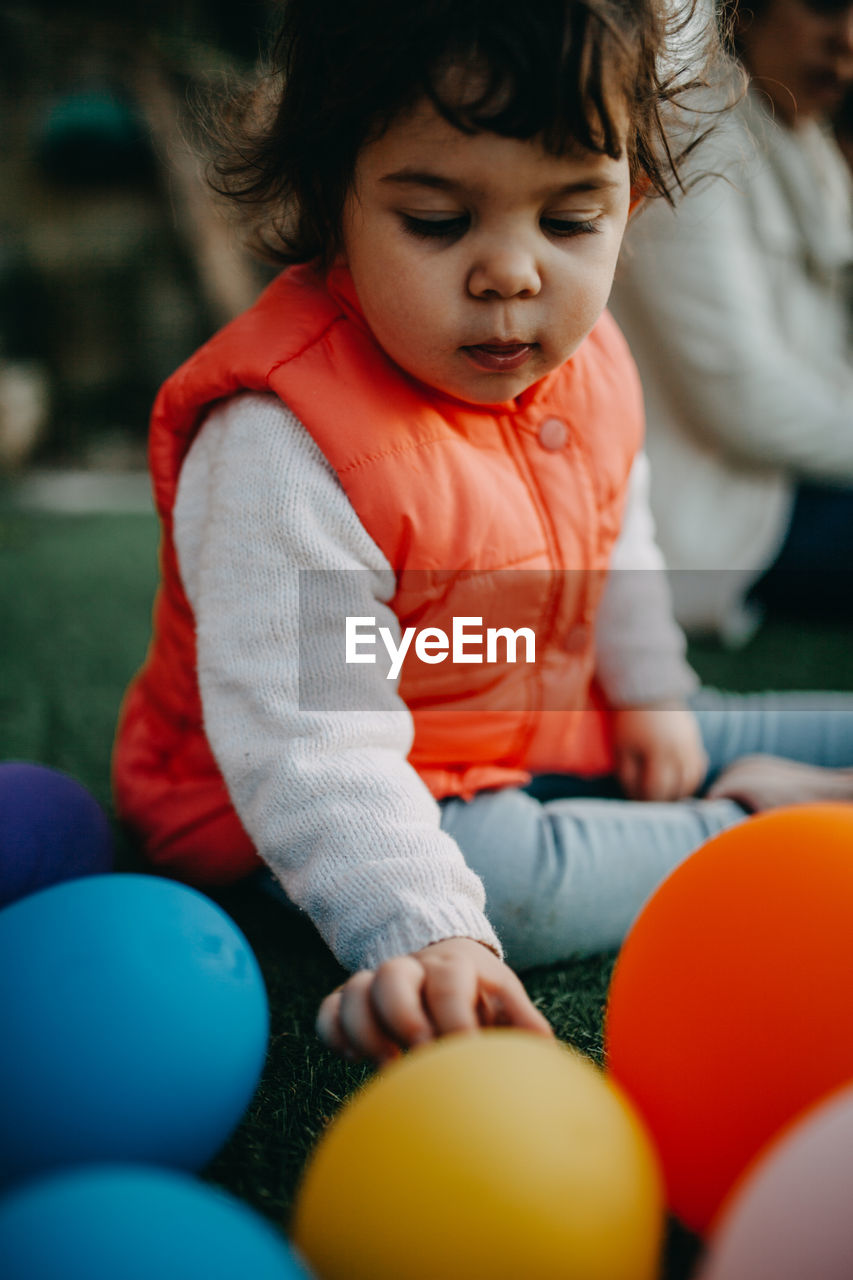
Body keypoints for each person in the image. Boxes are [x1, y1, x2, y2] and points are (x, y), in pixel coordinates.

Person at [113, 0, 853, 1066]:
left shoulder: (586, 358)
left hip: (517, 725)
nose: (512, 274)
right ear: (335, 198)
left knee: (716, 721)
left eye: (569, 220)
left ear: (630, 201)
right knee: (511, 881)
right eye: (437, 220)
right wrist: (429, 931)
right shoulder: (283, 444)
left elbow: (617, 534)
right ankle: (773, 832)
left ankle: (772, 772)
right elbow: (313, 749)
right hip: (319, 807)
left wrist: (649, 693)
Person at [609, 0, 853, 641]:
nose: (847, 38)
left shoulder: (805, 142)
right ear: (745, 15)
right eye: (825, 9)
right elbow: (742, 397)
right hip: (731, 522)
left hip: (794, 482)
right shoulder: (694, 140)